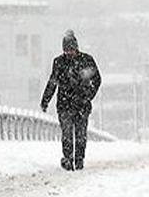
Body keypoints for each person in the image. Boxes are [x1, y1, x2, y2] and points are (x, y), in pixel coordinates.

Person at [40, 30, 102, 171]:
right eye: (66, 50)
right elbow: (53, 82)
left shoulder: (87, 60)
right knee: (67, 133)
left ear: (76, 48)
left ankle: (79, 159)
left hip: (81, 104)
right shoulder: (59, 62)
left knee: (80, 134)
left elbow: (97, 79)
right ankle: (68, 158)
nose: (69, 53)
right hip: (64, 105)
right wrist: (45, 100)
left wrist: (88, 96)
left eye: (71, 50)